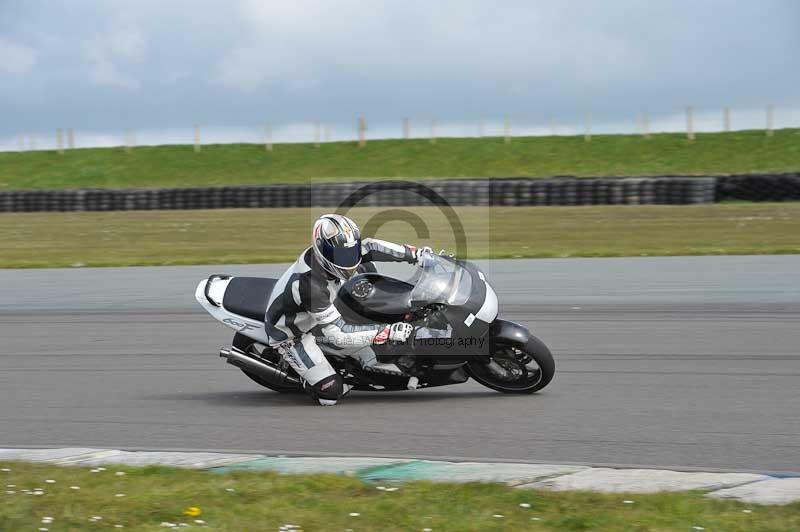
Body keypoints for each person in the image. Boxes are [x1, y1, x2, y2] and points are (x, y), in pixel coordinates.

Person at [264, 213, 429, 406]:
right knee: (331, 392)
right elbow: (338, 335)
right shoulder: (313, 287)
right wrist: (386, 332)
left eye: (351, 252)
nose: (349, 260)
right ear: (322, 251)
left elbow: (371, 247)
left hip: (324, 308)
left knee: (370, 287)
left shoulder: (338, 256)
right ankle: (308, 379)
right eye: (342, 256)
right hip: (294, 334)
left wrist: (416, 255)